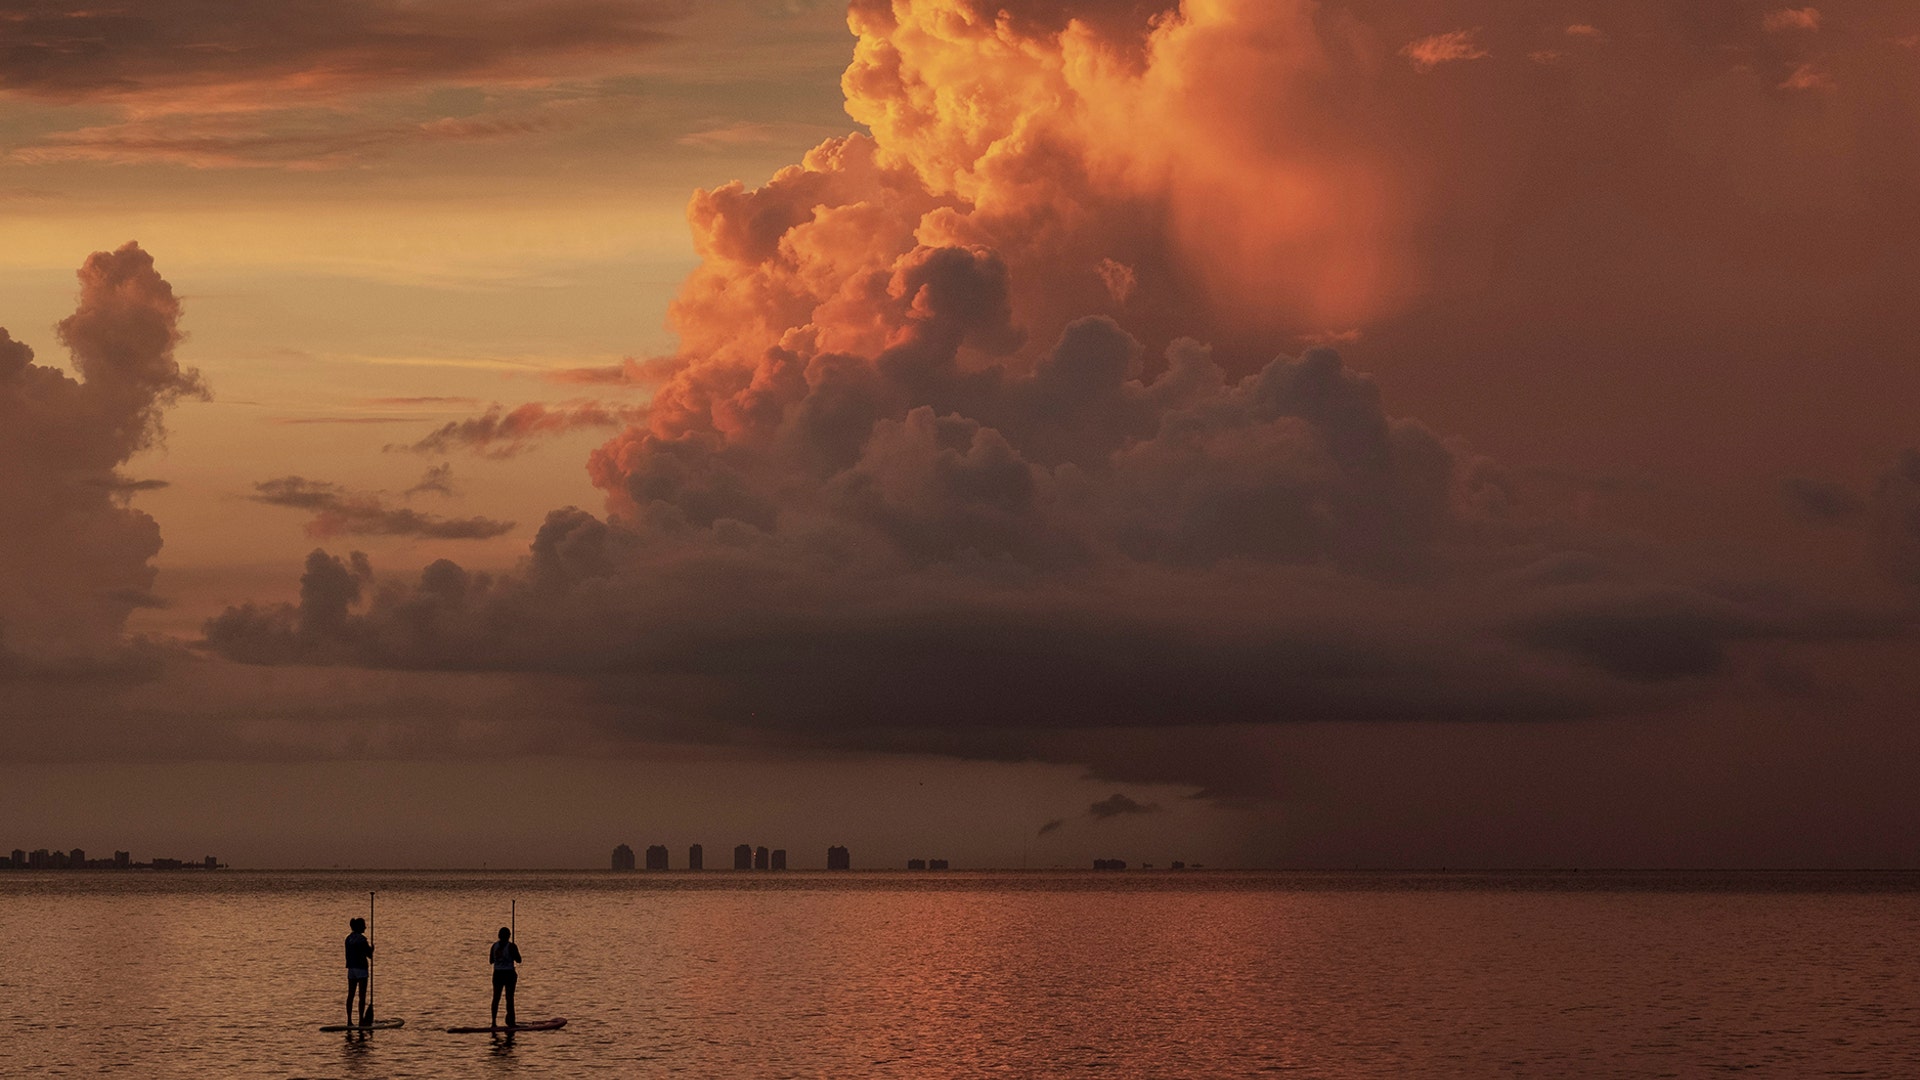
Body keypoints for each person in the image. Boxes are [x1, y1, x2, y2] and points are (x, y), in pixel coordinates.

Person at [489, 926, 521, 1028]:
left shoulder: (494, 946)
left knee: (496, 998)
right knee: (509, 998)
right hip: (508, 974)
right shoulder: (511, 946)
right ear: (508, 936)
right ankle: (511, 1022)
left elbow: (491, 961)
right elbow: (519, 960)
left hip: (497, 974)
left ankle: (493, 1022)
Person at [344, 917, 373, 1026]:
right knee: (362, 995)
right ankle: (361, 1020)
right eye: (363, 925)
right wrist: (372, 949)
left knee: (350, 995)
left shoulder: (348, 939)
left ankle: (349, 1020)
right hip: (361, 969)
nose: (365, 927)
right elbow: (369, 955)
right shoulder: (362, 939)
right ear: (359, 927)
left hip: (351, 969)